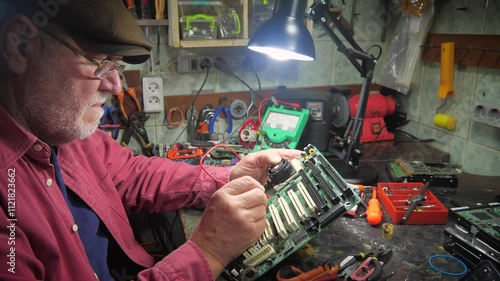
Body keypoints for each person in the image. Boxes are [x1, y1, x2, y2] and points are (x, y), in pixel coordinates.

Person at [0, 0, 302, 280]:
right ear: (20, 45)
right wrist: (209, 251)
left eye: (117, 66)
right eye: (99, 62)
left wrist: (228, 177)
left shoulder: (60, 130)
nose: (116, 86)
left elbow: (131, 174)